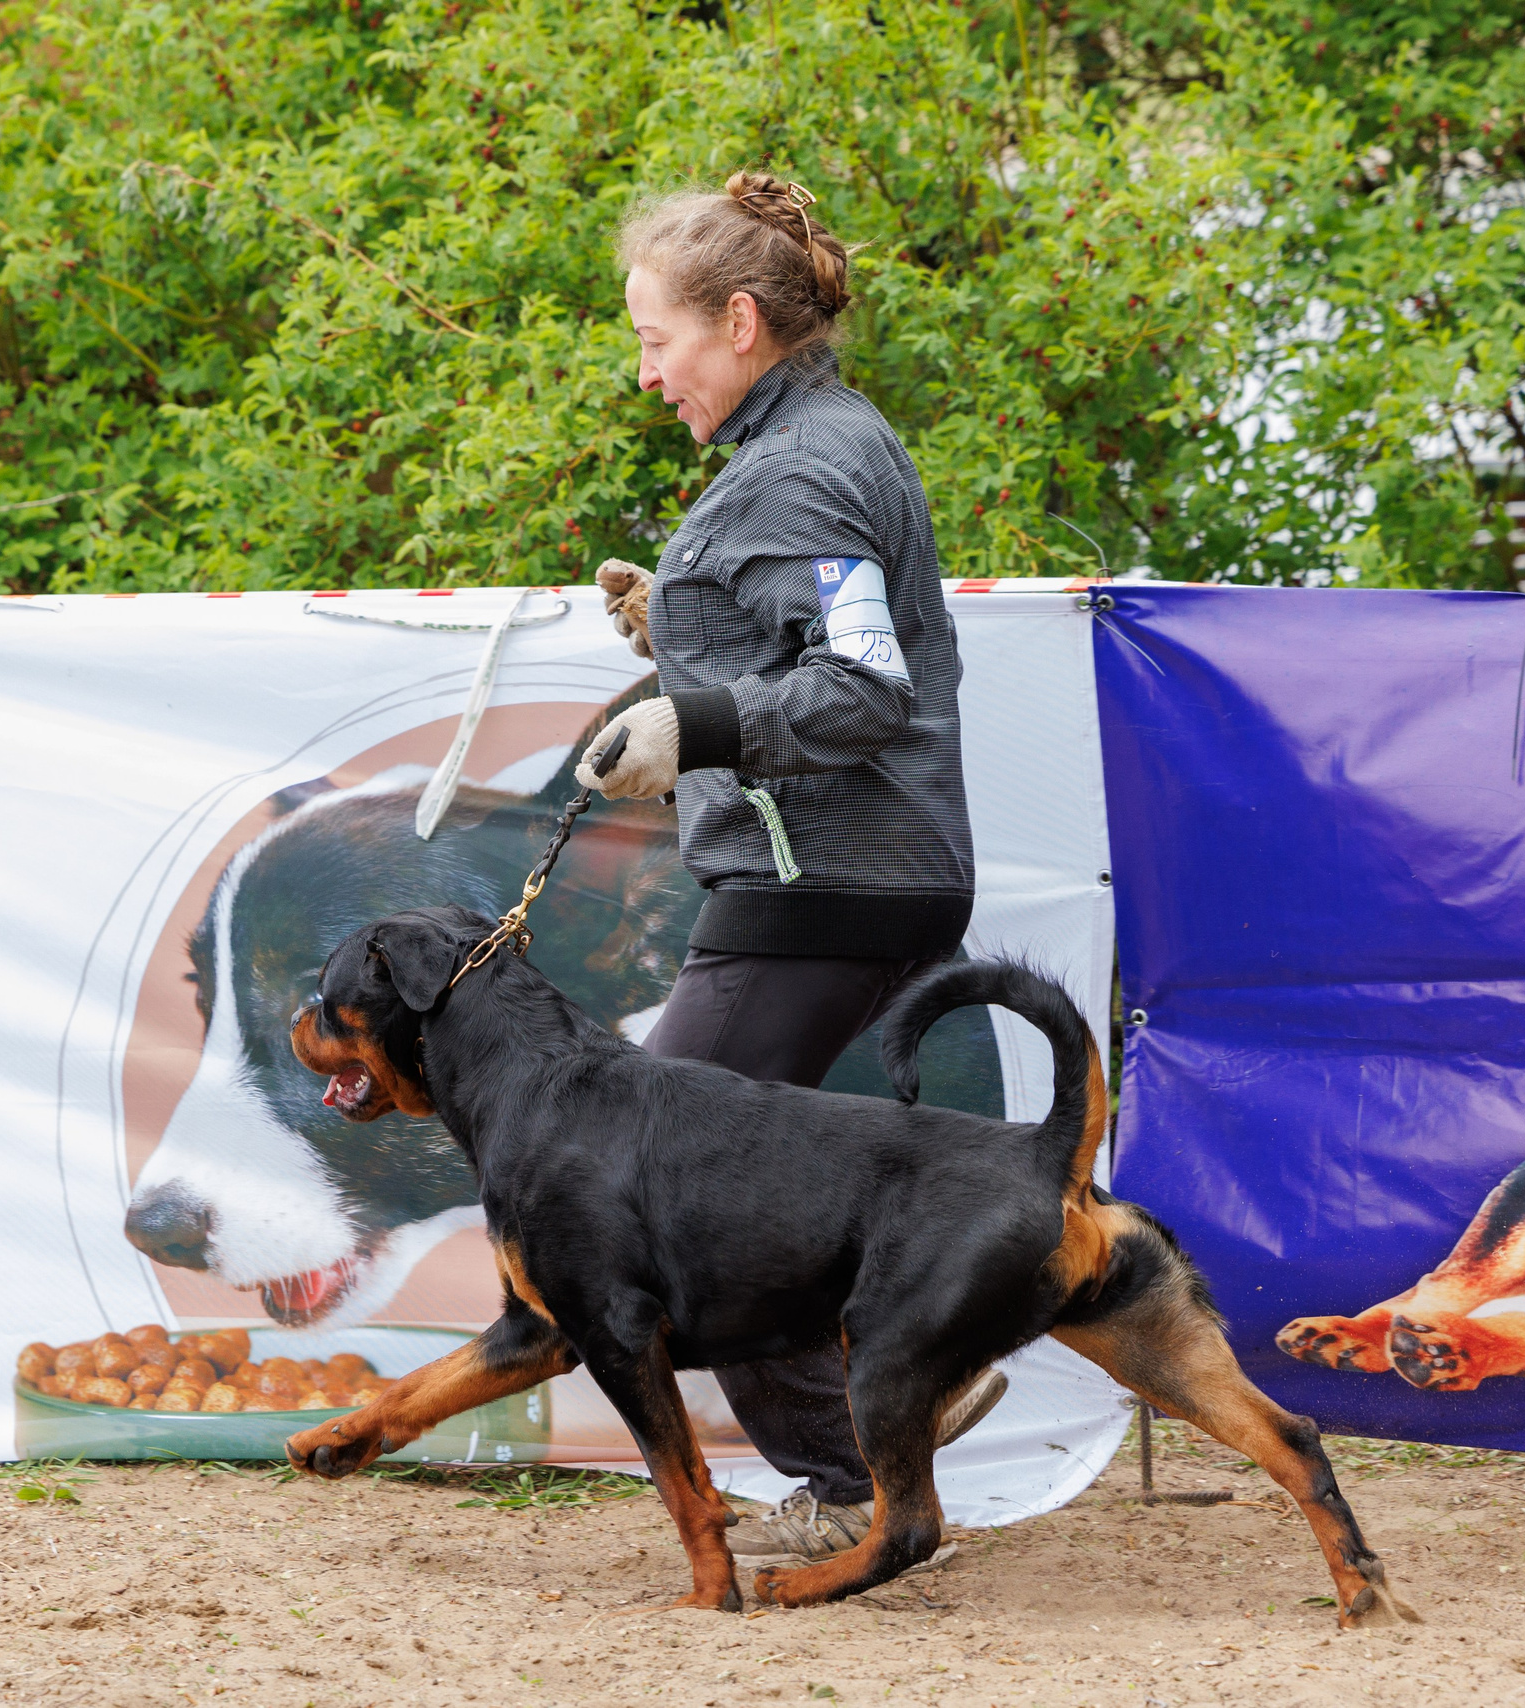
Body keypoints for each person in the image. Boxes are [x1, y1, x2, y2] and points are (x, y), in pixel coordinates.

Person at [572, 171, 1003, 1565]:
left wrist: (695, 716)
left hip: (824, 888)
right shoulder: (825, 442)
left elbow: (863, 692)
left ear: (741, 321)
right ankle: (887, 1417)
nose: (646, 375)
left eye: (658, 340)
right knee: (744, 1187)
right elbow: (822, 644)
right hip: (858, 879)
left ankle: (860, 1461)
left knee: (664, 1180)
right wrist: (679, 634)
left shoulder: (805, 466)